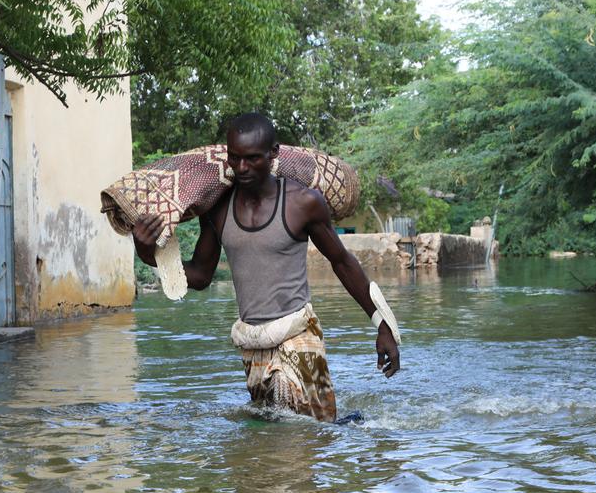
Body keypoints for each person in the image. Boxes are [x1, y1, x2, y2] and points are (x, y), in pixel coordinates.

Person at [132, 112, 400, 423]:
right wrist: (147, 250)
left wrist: (383, 324)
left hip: (299, 337)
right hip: (252, 344)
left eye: (252, 159)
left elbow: (341, 261)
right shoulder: (218, 208)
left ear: (273, 154)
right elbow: (201, 275)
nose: (242, 168)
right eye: (235, 159)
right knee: (272, 435)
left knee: (306, 436)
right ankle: (349, 423)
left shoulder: (303, 203)